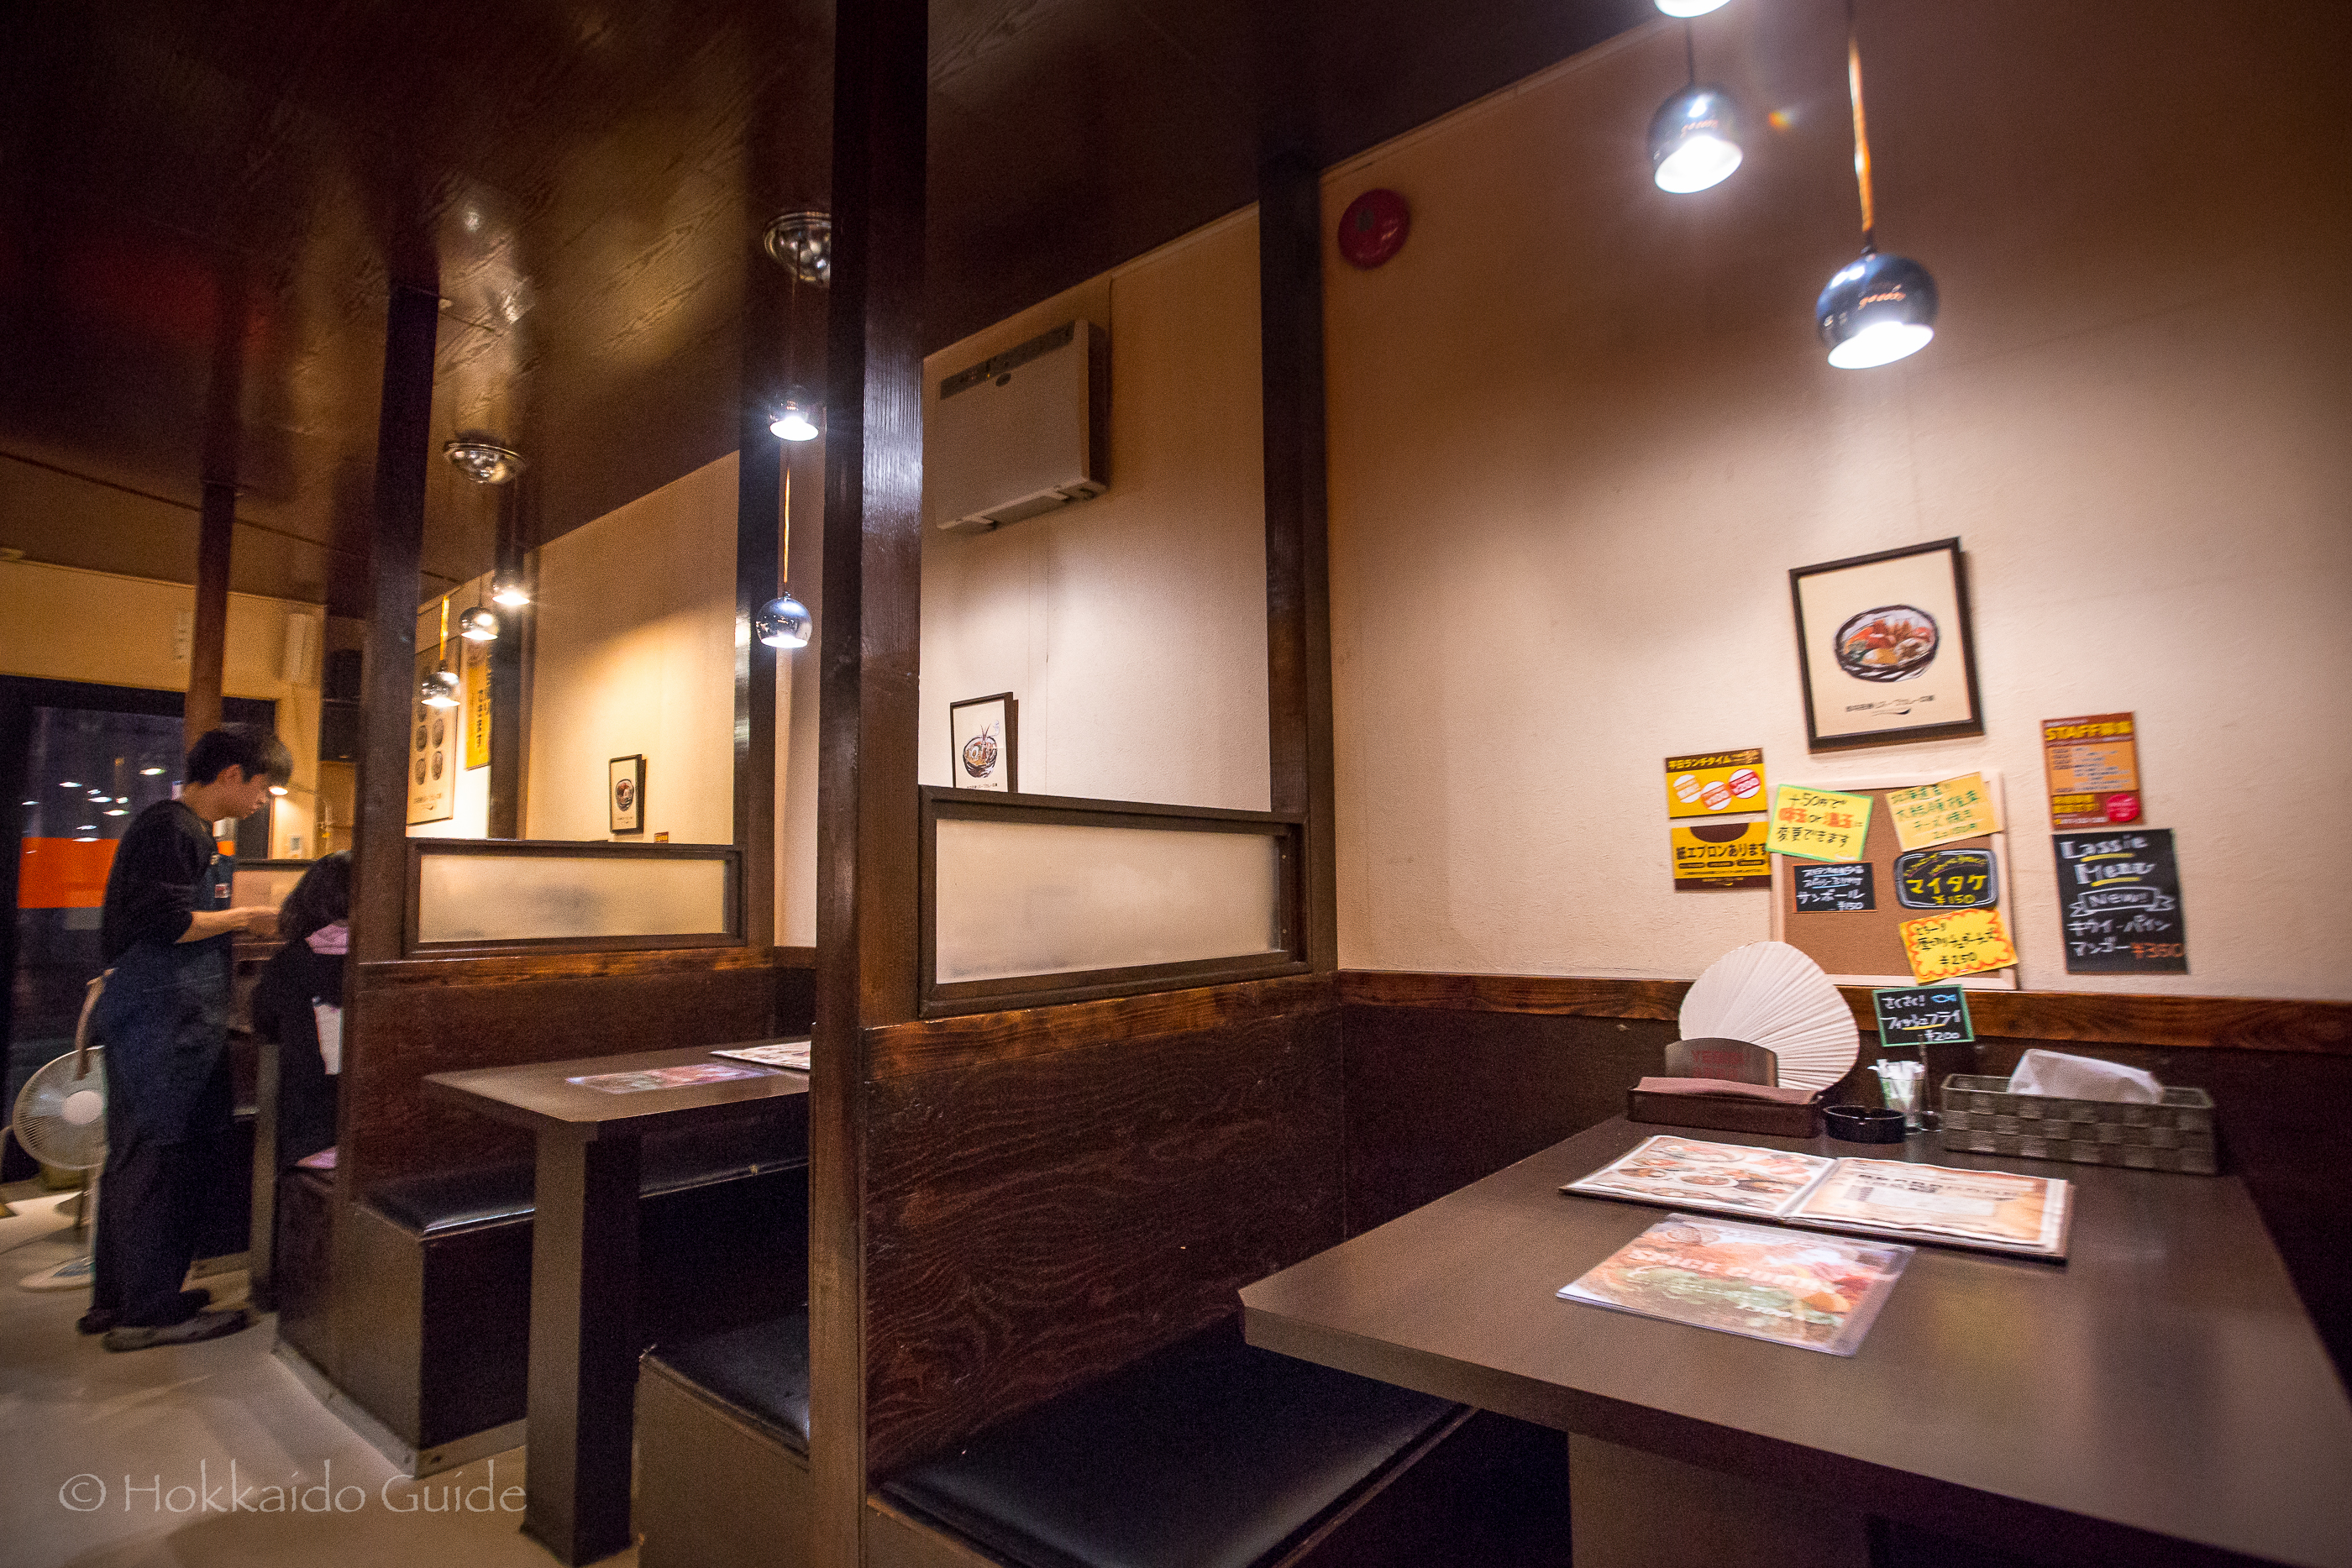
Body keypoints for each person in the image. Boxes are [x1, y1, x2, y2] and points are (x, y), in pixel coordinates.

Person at [83, 723, 289, 1350]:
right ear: (231, 774)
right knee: (161, 1158)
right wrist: (248, 917)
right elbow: (168, 923)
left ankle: (122, 1299)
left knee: (139, 1156)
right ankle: (148, 1313)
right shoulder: (174, 829)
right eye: (262, 786)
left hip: (164, 1016)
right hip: (162, 1017)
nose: (262, 800)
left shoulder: (181, 829)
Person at [249, 852, 349, 1172]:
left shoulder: (290, 965)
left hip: (314, 1141)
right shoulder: (387, 966)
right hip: (383, 1139)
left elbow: (264, 1024)